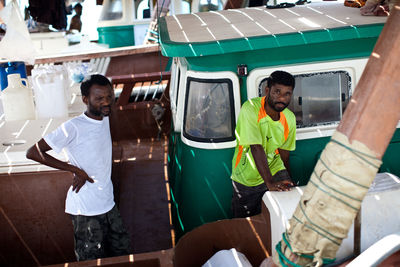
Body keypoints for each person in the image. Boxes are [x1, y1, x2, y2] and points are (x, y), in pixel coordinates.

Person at [26, 74, 131, 261]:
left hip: (108, 204)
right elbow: (33, 152)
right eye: (99, 98)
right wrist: (75, 170)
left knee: (122, 253)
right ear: (85, 100)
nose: (106, 102)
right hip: (86, 210)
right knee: (91, 260)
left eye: (109, 96)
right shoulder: (73, 127)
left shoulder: (104, 117)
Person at [231, 70, 296, 218]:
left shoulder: (289, 119)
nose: (282, 98)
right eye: (277, 92)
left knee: (287, 212)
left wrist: (289, 178)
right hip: (247, 176)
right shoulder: (250, 109)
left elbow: (284, 153)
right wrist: (270, 183)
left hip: (275, 169)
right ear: (267, 91)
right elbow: (256, 147)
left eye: (287, 94)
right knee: (246, 223)